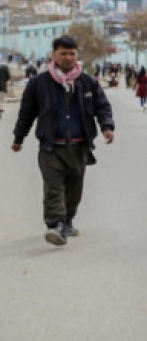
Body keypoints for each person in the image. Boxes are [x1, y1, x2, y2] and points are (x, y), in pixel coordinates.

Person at [11, 35, 115, 246]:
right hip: (51, 147)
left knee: (74, 187)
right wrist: (19, 137)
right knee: (53, 187)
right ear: (53, 55)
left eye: (72, 54)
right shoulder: (38, 83)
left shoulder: (88, 82)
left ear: (77, 56)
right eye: (63, 53)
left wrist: (107, 127)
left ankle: (67, 219)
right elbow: (27, 113)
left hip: (79, 146)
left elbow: (102, 106)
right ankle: (55, 225)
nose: (68, 57)